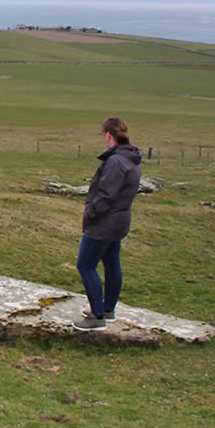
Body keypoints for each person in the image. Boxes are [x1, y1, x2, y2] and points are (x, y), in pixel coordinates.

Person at [74, 117, 142, 331]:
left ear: (108, 135)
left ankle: (97, 316)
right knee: (111, 262)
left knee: (85, 264)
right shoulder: (130, 158)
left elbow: (105, 195)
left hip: (104, 222)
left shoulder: (115, 162)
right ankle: (108, 309)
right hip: (119, 221)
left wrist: (91, 213)